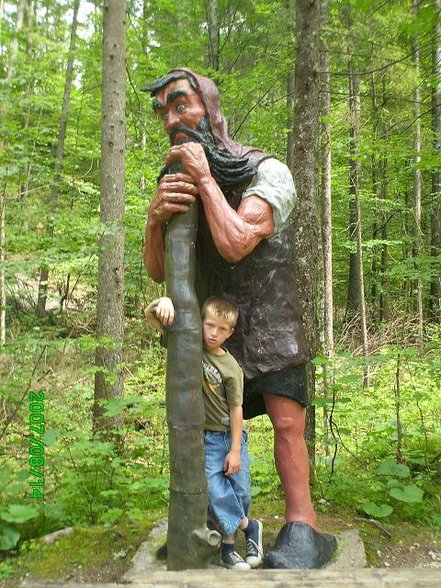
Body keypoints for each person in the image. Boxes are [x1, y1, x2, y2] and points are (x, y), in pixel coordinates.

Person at [142, 68, 336, 569]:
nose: (171, 119)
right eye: (163, 110)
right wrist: (154, 219)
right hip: (212, 327)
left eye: (180, 105)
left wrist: (205, 178)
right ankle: (212, 525)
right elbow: (158, 268)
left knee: (286, 420)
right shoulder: (177, 177)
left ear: (208, 106)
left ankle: (303, 527)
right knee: (210, 427)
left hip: (272, 319)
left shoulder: (267, 171)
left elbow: (234, 243)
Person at [145, 295, 264, 570]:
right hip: (208, 438)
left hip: (230, 436)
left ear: (230, 332)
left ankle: (229, 548)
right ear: (201, 323)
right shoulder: (189, 345)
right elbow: (151, 317)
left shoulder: (231, 368)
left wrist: (235, 450)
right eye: (210, 325)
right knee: (215, 490)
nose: (213, 333)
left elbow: (237, 410)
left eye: (222, 329)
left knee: (240, 491)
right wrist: (163, 302)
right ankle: (250, 527)